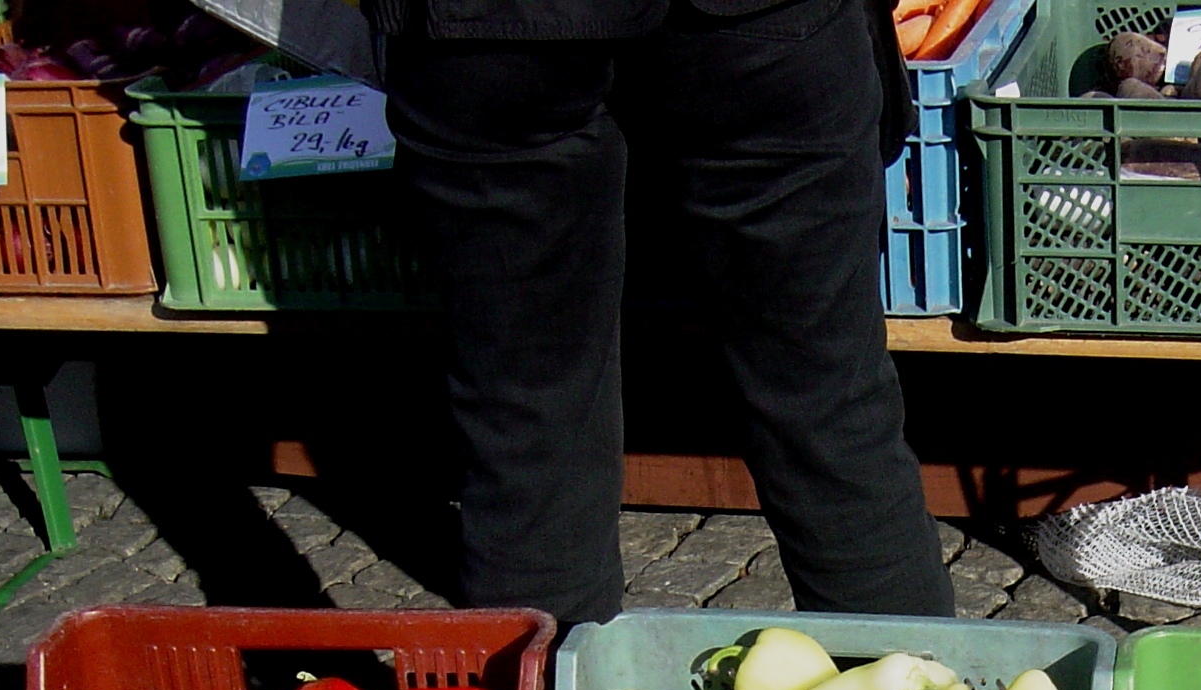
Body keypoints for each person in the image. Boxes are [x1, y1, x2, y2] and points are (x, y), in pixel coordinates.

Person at [369, 0, 956, 625]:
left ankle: (548, 683)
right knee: (828, 404)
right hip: (759, 22)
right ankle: (907, 677)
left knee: (526, 420)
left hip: (491, 28)